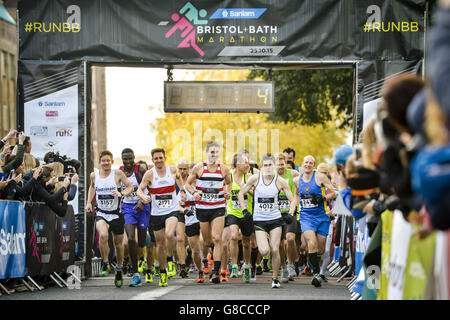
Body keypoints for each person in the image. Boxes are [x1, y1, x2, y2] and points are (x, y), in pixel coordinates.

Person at [238, 153, 297, 288]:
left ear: (274, 166)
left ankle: (275, 278)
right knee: (264, 251)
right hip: (259, 220)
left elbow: (293, 199)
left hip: (275, 219)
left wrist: (291, 213)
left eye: (270, 165)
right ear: (262, 166)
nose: (268, 168)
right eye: (265, 165)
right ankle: (269, 247)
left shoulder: (280, 181)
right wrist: (244, 210)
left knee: (275, 249)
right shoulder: (255, 179)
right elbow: (241, 193)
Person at [185, 141, 232, 284]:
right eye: (212, 152)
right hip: (203, 208)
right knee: (206, 241)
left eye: (217, 152)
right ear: (207, 153)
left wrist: (227, 192)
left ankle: (215, 272)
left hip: (218, 207)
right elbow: (187, 184)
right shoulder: (199, 168)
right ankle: (212, 254)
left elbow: (229, 183)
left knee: (217, 238)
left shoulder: (224, 168)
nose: (214, 154)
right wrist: (194, 193)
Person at [86, 150, 134, 288]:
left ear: (112, 162)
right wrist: (89, 202)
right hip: (102, 212)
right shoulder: (94, 175)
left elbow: (130, 187)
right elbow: (92, 187)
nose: (106, 163)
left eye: (108, 160)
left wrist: (121, 193)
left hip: (116, 213)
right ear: (100, 162)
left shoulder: (117, 174)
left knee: (118, 244)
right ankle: (105, 262)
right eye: (103, 161)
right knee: (103, 234)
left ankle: (118, 269)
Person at [137, 148, 184, 287]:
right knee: (160, 244)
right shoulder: (149, 174)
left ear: (165, 158)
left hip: (172, 209)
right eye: (155, 158)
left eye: (160, 158)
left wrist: (182, 191)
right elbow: (139, 189)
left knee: (170, 234)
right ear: (152, 160)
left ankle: (170, 260)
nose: (158, 160)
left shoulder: (173, 170)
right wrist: (143, 196)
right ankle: (163, 272)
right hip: (157, 213)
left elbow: (180, 180)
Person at [294, 155, 336, 288]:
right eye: (306, 162)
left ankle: (311, 261)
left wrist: (323, 198)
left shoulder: (320, 177)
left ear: (314, 166)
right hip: (306, 217)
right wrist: (293, 210)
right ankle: (316, 274)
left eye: (311, 163)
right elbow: (296, 195)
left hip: (322, 216)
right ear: (302, 164)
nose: (308, 165)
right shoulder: (297, 180)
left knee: (321, 249)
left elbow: (334, 193)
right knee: (311, 243)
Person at [119, 148, 150, 287]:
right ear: (122, 159)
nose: (128, 162)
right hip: (128, 208)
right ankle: (136, 273)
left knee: (142, 243)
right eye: (125, 159)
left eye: (130, 158)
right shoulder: (119, 172)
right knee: (131, 239)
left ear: (133, 158)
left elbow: (148, 187)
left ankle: (145, 235)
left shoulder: (141, 170)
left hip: (143, 207)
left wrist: (142, 201)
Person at [225, 151, 254, 283]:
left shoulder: (249, 177)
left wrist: (247, 189)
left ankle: (247, 266)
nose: (248, 164)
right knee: (234, 236)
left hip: (247, 213)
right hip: (233, 212)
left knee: (247, 242)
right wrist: (225, 194)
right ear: (237, 164)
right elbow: (223, 191)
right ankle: (235, 265)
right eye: (245, 162)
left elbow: (256, 195)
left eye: (248, 162)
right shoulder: (228, 176)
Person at [178, 161, 205, 283]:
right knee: (195, 249)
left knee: (206, 242)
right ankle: (200, 271)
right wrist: (184, 210)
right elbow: (177, 206)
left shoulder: (204, 185)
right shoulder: (184, 189)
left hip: (205, 219)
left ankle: (213, 265)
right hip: (191, 221)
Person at [275, 153, 300, 282]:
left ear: (286, 163)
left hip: (290, 211)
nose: (280, 166)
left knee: (290, 239)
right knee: (279, 244)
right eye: (278, 164)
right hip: (275, 214)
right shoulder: (271, 176)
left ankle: (290, 264)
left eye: (282, 164)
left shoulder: (293, 174)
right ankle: (283, 268)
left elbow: (298, 192)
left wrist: (294, 209)